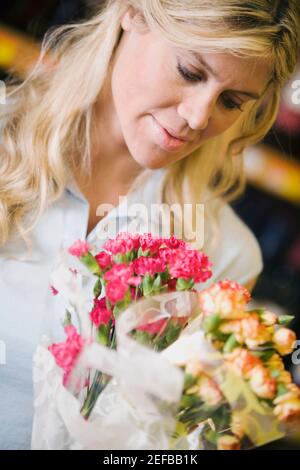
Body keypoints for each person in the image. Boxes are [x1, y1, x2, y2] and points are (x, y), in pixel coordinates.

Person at [0, 0, 299, 450]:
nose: (199, 117)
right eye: (190, 72)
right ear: (133, 13)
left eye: (231, 102)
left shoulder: (223, 252)